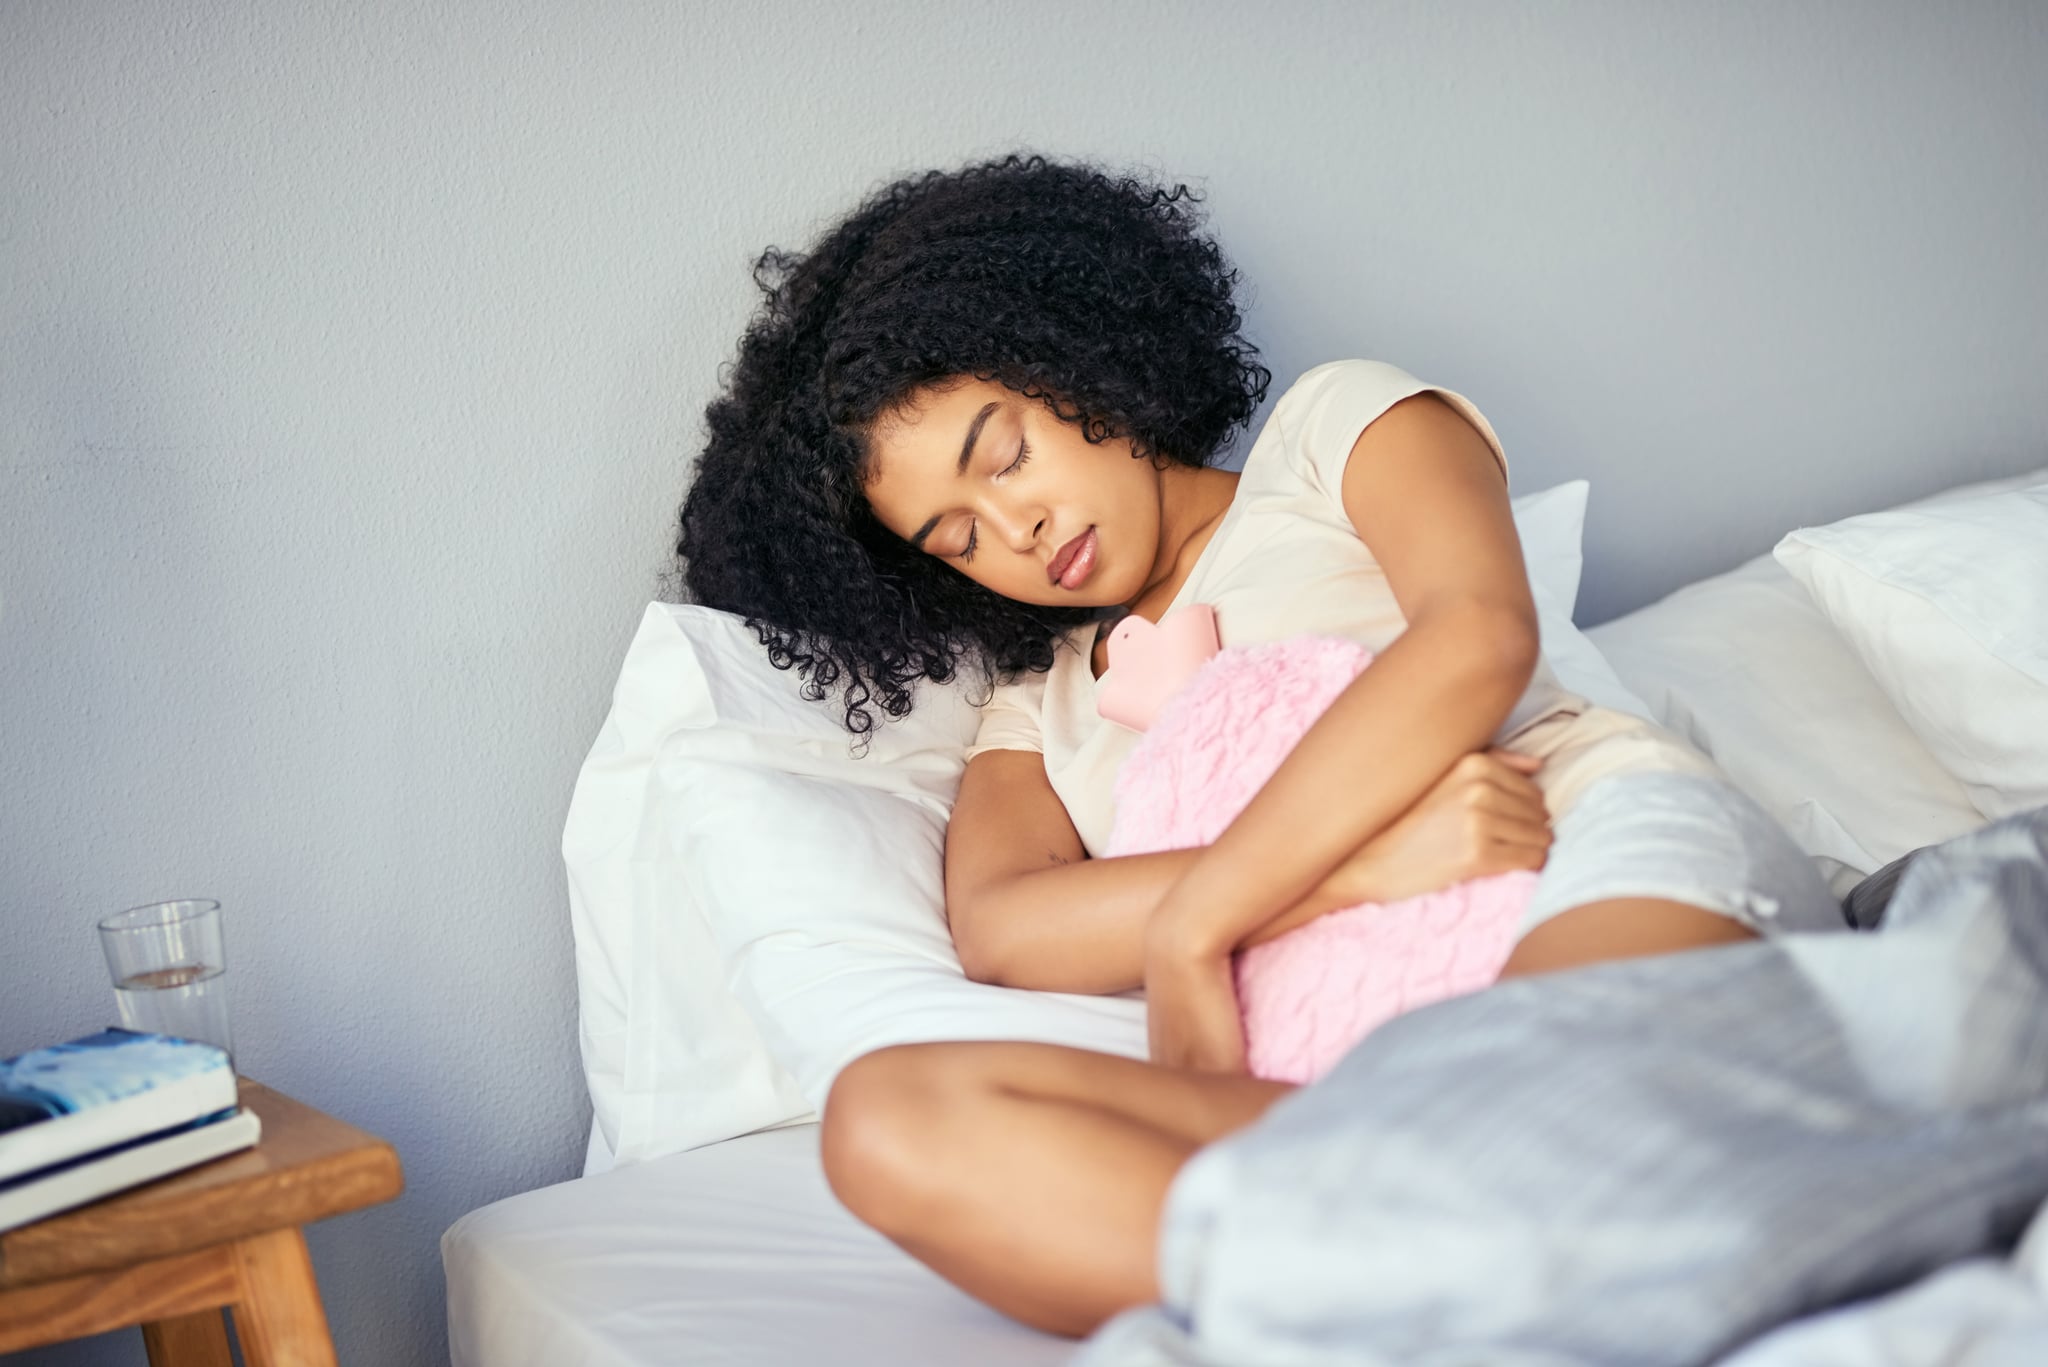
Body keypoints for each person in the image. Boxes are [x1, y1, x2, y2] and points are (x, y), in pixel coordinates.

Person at [672, 153, 1848, 1339]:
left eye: (1006, 452)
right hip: (1350, 1060)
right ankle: (1491, 1265)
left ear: (1071, 359)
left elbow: (1475, 636)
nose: (1014, 527)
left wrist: (1192, 923)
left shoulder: (1333, 434)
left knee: (1543, 1108)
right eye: (955, 533)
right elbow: (1001, 925)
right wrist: (1327, 879)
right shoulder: (1036, 703)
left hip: (1580, 848)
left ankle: (1443, 1265)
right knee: (885, 1121)